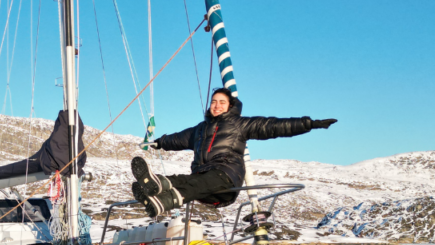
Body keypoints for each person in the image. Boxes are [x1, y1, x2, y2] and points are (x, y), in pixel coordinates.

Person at [131, 88, 336, 217]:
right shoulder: (199, 130)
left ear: (230, 106)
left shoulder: (240, 124)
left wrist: (310, 124)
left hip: (225, 181)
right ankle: (156, 192)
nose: (217, 105)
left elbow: (275, 126)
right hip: (202, 187)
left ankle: (163, 197)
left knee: (202, 179)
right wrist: (158, 143)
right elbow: (176, 139)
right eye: (214, 102)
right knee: (189, 179)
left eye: (222, 102)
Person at [0, 109, 86, 188]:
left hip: (50, 161)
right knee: (1, 172)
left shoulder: (60, 151)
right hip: (50, 161)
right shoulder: (57, 152)